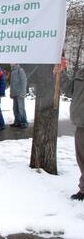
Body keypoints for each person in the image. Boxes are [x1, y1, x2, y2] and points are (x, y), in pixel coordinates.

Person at [58, 65, 84, 201]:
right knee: (82, 160)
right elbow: (69, 90)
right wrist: (61, 73)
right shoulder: (80, 72)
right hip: (81, 124)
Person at [10, 63, 28, 128]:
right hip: (14, 93)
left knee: (21, 108)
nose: (11, 63)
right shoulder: (12, 71)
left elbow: (24, 81)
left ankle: (24, 122)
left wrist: (22, 92)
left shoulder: (20, 70)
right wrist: (11, 93)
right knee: (15, 108)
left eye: (12, 62)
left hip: (20, 93)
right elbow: (12, 84)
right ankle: (17, 122)